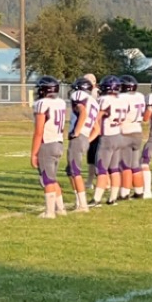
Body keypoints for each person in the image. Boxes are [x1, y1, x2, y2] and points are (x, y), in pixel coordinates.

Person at [31, 75, 69, 218]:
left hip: (47, 143)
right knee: (52, 178)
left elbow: (39, 131)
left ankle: (50, 212)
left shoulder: (42, 104)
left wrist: (33, 153)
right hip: (58, 142)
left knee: (47, 179)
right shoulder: (60, 102)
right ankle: (60, 209)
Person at [66, 73, 99, 212]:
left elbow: (83, 112)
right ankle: (79, 201)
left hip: (79, 137)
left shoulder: (79, 96)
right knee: (70, 171)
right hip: (86, 137)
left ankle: (83, 205)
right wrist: (86, 139)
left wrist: (76, 133)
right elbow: (97, 129)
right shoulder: (94, 102)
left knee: (75, 171)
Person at [93, 76, 124, 204]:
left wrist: (94, 130)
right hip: (118, 135)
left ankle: (96, 199)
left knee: (101, 168)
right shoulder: (121, 100)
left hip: (107, 137)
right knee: (114, 169)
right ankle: (113, 198)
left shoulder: (103, 100)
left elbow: (97, 116)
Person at [120, 74, 147, 199]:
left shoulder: (122, 97)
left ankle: (124, 193)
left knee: (125, 165)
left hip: (125, 131)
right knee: (135, 164)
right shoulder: (140, 96)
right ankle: (139, 191)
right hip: (137, 130)